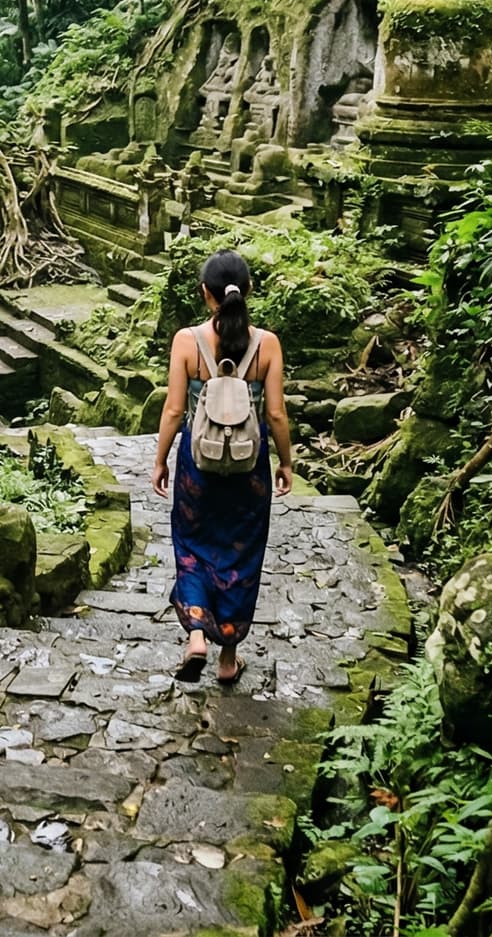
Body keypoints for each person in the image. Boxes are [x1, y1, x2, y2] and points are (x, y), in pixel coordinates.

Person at [150, 250, 295, 685]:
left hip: (199, 465)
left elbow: (175, 410)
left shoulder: (186, 341)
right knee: (241, 555)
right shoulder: (266, 344)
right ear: (247, 291)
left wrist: (160, 459)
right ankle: (228, 659)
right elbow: (276, 415)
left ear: (204, 294)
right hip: (249, 469)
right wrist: (285, 462)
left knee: (193, 546)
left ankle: (197, 633)